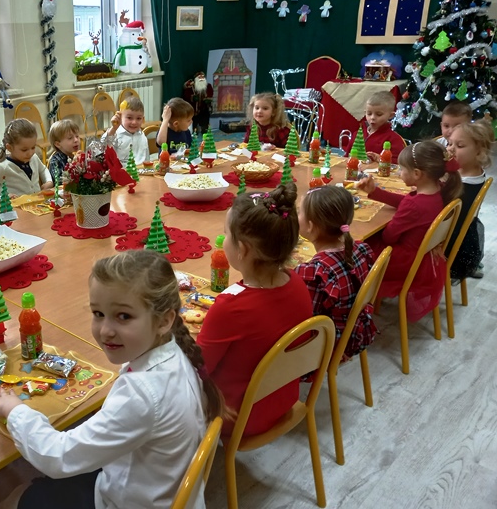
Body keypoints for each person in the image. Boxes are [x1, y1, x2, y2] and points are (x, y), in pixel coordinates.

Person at [0, 250, 225, 509]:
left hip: (129, 502)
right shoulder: (174, 349)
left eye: (124, 316)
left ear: (164, 320)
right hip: (158, 488)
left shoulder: (141, 394)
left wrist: (15, 411)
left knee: (20, 497)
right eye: (98, 313)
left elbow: (56, 456)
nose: (105, 330)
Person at [196, 183, 313, 436]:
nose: (224, 240)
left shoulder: (230, 307)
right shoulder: (297, 283)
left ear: (243, 249)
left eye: (226, 234)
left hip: (236, 415)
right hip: (283, 400)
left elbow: (196, 369)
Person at [356, 141, 462, 321]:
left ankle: (355, 298)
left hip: (403, 261)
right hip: (422, 257)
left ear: (417, 174)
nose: (399, 173)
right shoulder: (439, 190)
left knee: (358, 245)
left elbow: (388, 237)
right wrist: (375, 192)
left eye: (401, 169)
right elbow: (406, 202)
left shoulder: (414, 205)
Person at [295, 186, 377, 359]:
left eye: (299, 212)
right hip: (356, 332)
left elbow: (304, 324)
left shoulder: (316, 272)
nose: (296, 215)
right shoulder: (361, 249)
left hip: (329, 347)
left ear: (311, 226)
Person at [446, 120, 493, 281]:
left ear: (479, 152)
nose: (451, 149)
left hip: (450, 243)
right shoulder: (468, 171)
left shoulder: (465, 187)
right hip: (460, 232)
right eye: (449, 143)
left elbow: (445, 216)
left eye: (459, 146)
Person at [0, 118, 53, 203]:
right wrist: (1, 199)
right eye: (24, 150)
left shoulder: (34, 158)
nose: (30, 153)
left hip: (37, 206)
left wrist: (48, 181)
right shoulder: (2, 167)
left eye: (33, 147)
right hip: (15, 209)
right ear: (9, 147)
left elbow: (43, 169)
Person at [343, 91, 405, 161]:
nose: (372, 117)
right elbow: (346, 158)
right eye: (369, 114)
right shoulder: (357, 134)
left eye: (379, 114)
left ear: (390, 115)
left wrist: (382, 159)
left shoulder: (394, 139)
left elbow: (399, 163)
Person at [101, 96, 149, 165]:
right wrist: (113, 128)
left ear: (143, 119)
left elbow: (146, 158)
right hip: (122, 170)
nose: (134, 122)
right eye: (129, 118)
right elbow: (103, 145)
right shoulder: (116, 134)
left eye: (138, 118)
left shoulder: (142, 136)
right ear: (120, 117)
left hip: (141, 170)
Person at [47, 119, 80, 183]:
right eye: (70, 138)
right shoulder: (55, 161)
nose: (76, 140)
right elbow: (60, 181)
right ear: (58, 144)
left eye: (77, 136)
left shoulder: (76, 155)